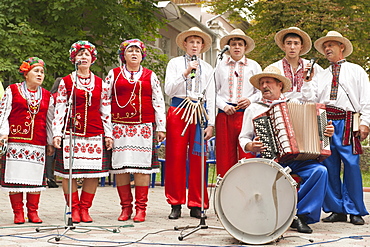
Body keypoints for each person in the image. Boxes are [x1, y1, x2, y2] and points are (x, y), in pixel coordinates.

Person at [239, 66, 333, 233]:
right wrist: (250, 145)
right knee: (271, 175)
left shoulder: (294, 104)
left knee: (320, 171)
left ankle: (300, 215)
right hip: (271, 161)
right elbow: (243, 137)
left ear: (279, 85)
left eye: (268, 82)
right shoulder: (254, 108)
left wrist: (325, 132)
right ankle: (289, 215)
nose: (264, 86)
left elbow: (314, 126)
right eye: (261, 83)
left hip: (299, 159)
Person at [302, 31, 370, 225]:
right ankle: (336, 209)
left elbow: (366, 99)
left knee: (351, 165)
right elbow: (310, 99)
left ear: (342, 47)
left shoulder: (356, 70)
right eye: (325, 46)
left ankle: (355, 209)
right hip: (325, 120)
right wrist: (307, 82)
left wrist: (365, 122)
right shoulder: (321, 74)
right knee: (328, 165)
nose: (327, 49)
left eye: (331, 45)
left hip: (347, 120)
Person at [52, 41, 113, 223]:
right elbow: (60, 108)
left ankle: (85, 208)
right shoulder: (66, 81)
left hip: (94, 132)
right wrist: (57, 133)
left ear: (92, 59)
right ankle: (73, 208)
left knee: (92, 172)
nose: (83, 57)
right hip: (72, 132)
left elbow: (106, 110)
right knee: (69, 171)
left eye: (87, 54)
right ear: (74, 58)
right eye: (80, 54)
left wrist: (108, 134)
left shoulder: (101, 83)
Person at [106, 39, 166, 222]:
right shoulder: (114, 74)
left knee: (142, 169)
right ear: (123, 55)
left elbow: (158, 100)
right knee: (121, 168)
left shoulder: (150, 75)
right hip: (119, 127)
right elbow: (105, 101)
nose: (133, 54)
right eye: (130, 51)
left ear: (142, 56)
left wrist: (161, 126)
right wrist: (108, 130)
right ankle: (125, 208)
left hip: (143, 127)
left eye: (137, 51)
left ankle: (141, 209)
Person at [164, 27, 215, 219]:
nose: (194, 45)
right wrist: (186, 72)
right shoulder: (175, 63)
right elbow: (169, 89)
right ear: (185, 44)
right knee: (175, 157)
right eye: (191, 42)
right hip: (179, 110)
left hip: (199, 112)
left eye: (198, 42)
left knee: (198, 157)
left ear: (202, 46)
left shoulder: (208, 68)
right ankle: (175, 202)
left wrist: (211, 123)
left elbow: (211, 95)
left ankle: (197, 202)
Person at [0, 57, 54, 224]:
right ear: (26, 74)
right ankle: (18, 213)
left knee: (35, 177)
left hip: (37, 142)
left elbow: (50, 120)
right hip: (15, 141)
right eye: (36, 71)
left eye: (42, 72)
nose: (40, 75)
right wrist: (3, 134)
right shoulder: (13, 90)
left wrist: (50, 141)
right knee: (15, 177)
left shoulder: (46, 95)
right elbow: (3, 113)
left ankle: (33, 212)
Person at [215, 28, 261, 178]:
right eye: (233, 44)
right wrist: (224, 106)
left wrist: (250, 100)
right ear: (228, 47)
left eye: (240, 44)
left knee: (246, 154)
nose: (236, 47)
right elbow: (212, 91)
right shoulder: (219, 65)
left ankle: (247, 188)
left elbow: (261, 91)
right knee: (224, 155)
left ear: (245, 47)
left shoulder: (253, 66)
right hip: (225, 114)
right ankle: (225, 191)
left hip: (246, 114)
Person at [270, 27, 323, 101]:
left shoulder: (313, 67)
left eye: (296, 43)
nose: (292, 47)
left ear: (301, 47)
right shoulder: (274, 68)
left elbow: (322, 91)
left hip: (307, 109)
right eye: (288, 43)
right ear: (283, 46)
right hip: (281, 110)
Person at [45, 77, 62, 188]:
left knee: (50, 156)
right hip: (60, 128)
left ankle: (49, 177)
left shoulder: (51, 97)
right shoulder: (60, 97)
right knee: (56, 155)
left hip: (49, 126)